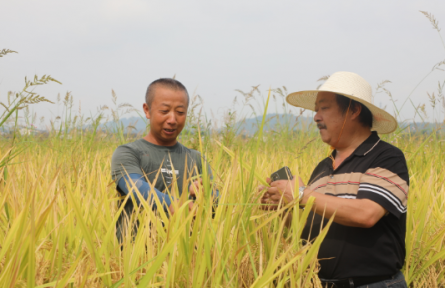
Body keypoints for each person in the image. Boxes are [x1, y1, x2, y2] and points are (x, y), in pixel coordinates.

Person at [260, 71, 409, 288]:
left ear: (354, 110)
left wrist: (301, 194)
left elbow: (367, 214)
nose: (316, 116)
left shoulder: (385, 157)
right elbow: (309, 229)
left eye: (324, 108)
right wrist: (283, 207)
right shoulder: (323, 167)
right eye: (316, 110)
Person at [111, 78, 217, 243]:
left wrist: (208, 195)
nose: (173, 119)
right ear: (147, 110)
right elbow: (136, 187)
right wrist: (175, 204)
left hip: (185, 257)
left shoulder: (196, 159)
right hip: (134, 259)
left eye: (180, 113)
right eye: (164, 111)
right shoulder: (128, 152)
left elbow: (214, 202)